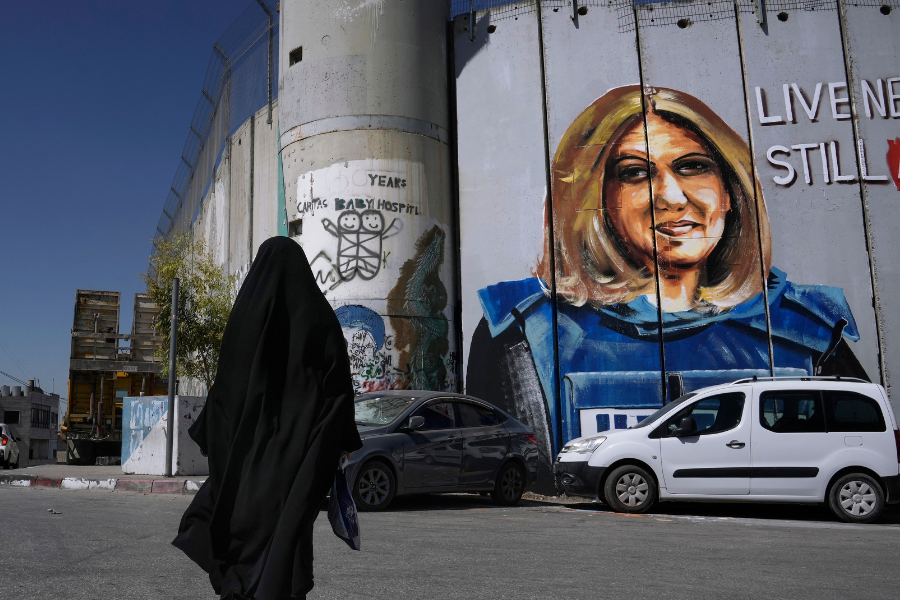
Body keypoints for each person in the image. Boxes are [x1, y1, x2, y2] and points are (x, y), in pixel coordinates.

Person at [467, 86, 867, 459]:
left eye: (693, 166)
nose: (672, 197)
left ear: (730, 190)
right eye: (635, 174)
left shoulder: (807, 328)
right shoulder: (526, 331)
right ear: (596, 197)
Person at [172, 236, 363, 600]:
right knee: (286, 544)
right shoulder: (320, 320)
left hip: (243, 465)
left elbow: (224, 394)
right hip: (295, 465)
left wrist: (225, 445)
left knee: (242, 540)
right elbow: (338, 393)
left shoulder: (245, 318)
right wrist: (334, 445)